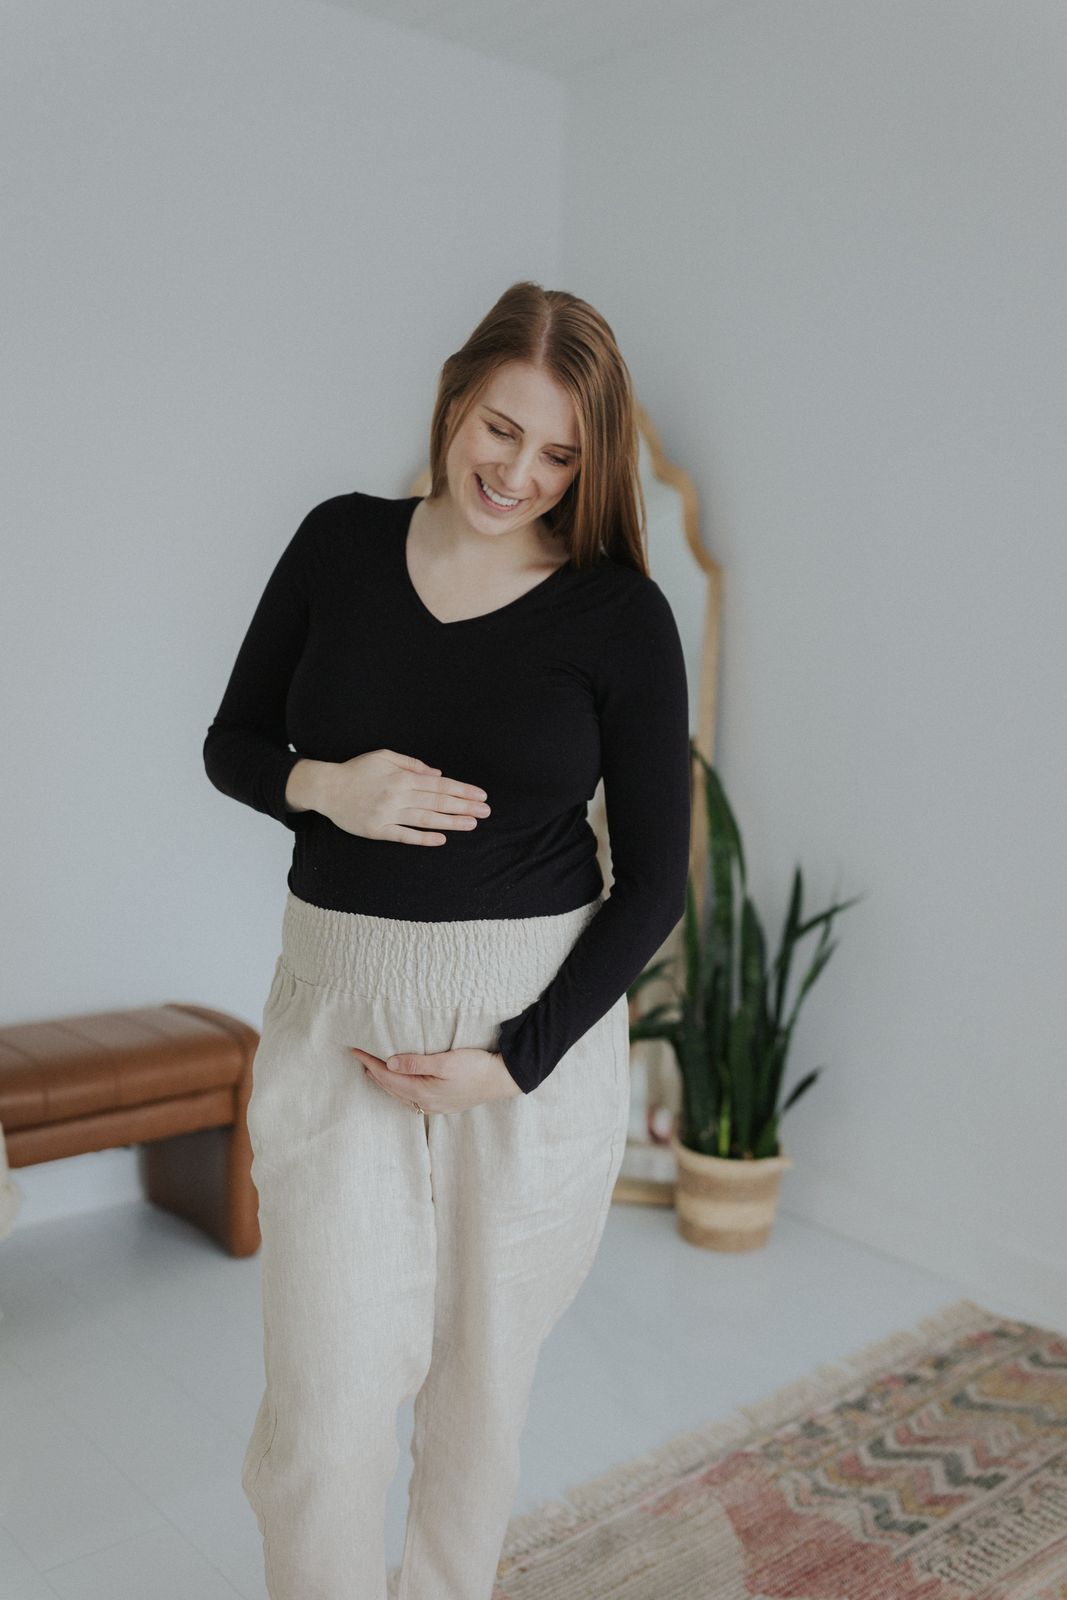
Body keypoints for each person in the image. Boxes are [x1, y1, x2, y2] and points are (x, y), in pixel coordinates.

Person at [202, 279, 692, 1600]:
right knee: (324, 1409)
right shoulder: (338, 546)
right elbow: (234, 743)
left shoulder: (619, 619)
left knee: (476, 1411)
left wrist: (514, 1059)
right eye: (498, 430)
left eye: (558, 455)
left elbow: (655, 883)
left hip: (515, 1046)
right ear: (453, 398)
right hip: (337, 1013)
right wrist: (327, 784)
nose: (517, 474)